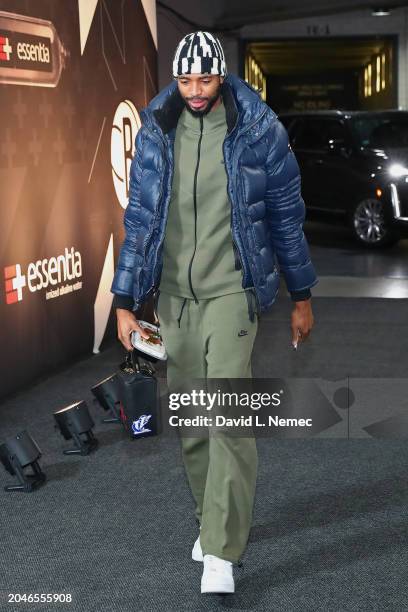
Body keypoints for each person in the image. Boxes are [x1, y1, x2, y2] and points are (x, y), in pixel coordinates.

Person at [111, 30, 318, 594]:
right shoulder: (157, 131)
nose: (196, 91)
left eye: (205, 79)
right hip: (174, 298)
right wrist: (124, 301)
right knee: (194, 423)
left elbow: (285, 217)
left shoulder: (259, 130)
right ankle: (210, 520)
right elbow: (139, 222)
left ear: (222, 75)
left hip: (233, 293)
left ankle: (223, 553)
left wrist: (301, 296)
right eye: (185, 80)